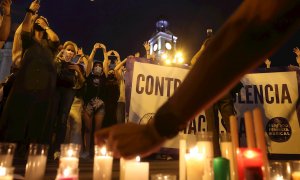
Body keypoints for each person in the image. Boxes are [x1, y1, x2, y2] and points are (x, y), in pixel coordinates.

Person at [95, 0, 300, 159]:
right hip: (211, 93)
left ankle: (236, 151)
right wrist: (157, 129)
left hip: (224, 92)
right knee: (212, 126)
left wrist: (155, 131)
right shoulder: (207, 48)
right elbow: (251, 26)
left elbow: (250, 26)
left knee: (229, 121)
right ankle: (216, 154)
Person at [0, 0, 60, 146]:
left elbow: (56, 40)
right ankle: (14, 145)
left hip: (44, 85)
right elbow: (25, 27)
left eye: (43, 20)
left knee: (38, 116)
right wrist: (31, 12)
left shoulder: (48, 44)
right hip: (25, 82)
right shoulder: (28, 40)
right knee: (20, 113)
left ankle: (32, 145)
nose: (39, 21)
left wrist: (46, 28)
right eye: (37, 21)